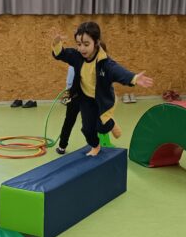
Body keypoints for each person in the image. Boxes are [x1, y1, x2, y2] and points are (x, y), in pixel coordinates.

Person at [51, 22, 154, 156]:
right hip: (85, 98)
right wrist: (57, 44)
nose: (82, 48)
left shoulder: (104, 62)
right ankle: (95, 146)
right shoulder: (77, 56)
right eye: (79, 44)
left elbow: (117, 71)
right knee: (87, 129)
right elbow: (62, 54)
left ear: (96, 42)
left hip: (101, 98)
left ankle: (110, 123)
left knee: (102, 127)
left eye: (86, 44)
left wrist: (133, 78)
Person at [55, 66, 81, 155]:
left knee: (69, 122)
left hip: (75, 97)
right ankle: (96, 145)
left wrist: (67, 94)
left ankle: (62, 147)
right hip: (88, 97)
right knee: (90, 121)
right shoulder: (91, 62)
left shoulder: (73, 65)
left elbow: (69, 82)